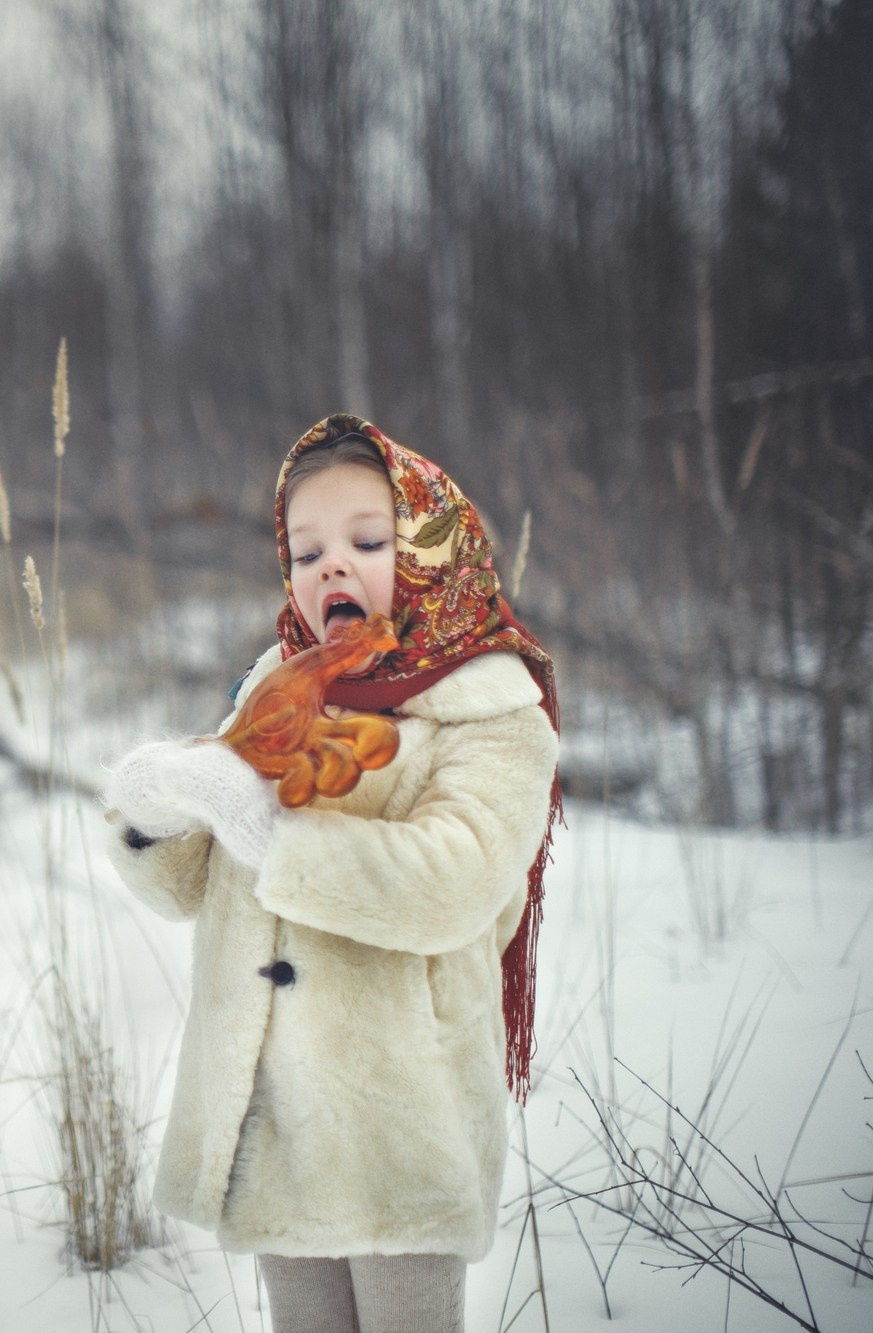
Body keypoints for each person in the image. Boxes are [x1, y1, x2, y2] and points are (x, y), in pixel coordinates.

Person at [102, 414, 562, 1333]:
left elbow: (456, 877)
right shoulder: (281, 683)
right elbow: (195, 886)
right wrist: (157, 813)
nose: (331, 568)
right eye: (306, 550)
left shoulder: (492, 710)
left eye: (367, 540)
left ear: (433, 545)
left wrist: (269, 829)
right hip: (275, 1114)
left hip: (399, 1115)